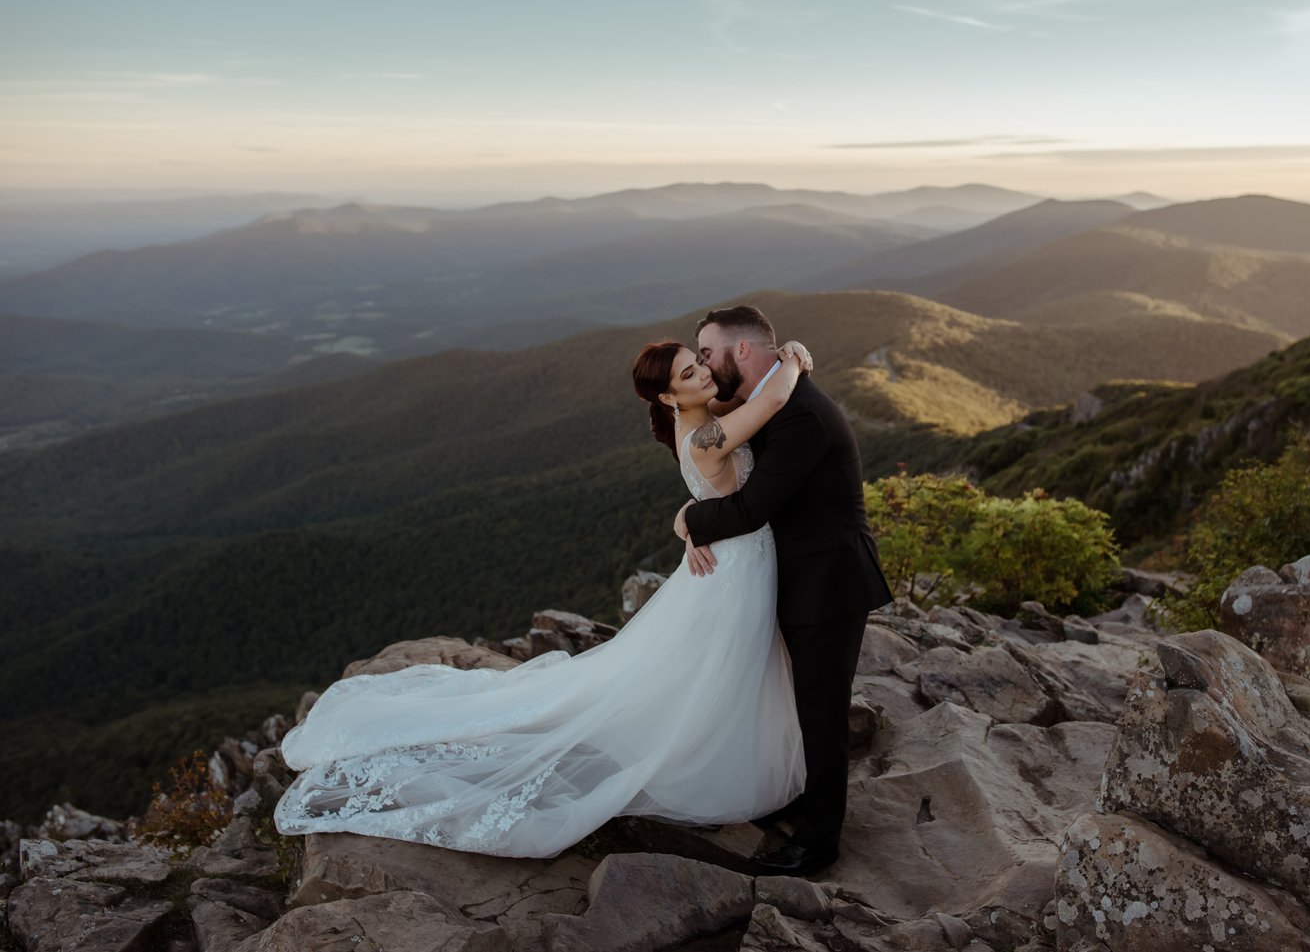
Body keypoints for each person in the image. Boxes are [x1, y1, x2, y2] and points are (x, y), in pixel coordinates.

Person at [272, 337, 814, 859]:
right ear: (670, 397)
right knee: (728, 667)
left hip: (731, 558)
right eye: (688, 373)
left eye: (697, 362)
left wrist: (689, 521)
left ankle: (714, 748)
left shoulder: (693, 421)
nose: (701, 371)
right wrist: (790, 355)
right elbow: (772, 398)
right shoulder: (701, 435)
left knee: (719, 667)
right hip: (735, 568)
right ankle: (708, 763)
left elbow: (706, 486)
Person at [675, 305, 893, 877]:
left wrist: (689, 522)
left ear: (740, 351)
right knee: (800, 700)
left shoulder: (801, 415)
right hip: (799, 574)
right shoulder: (771, 393)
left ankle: (819, 843)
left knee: (821, 710)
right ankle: (800, 799)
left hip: (828, 580)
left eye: (707, 352)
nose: (703, 363)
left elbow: (753, 508)